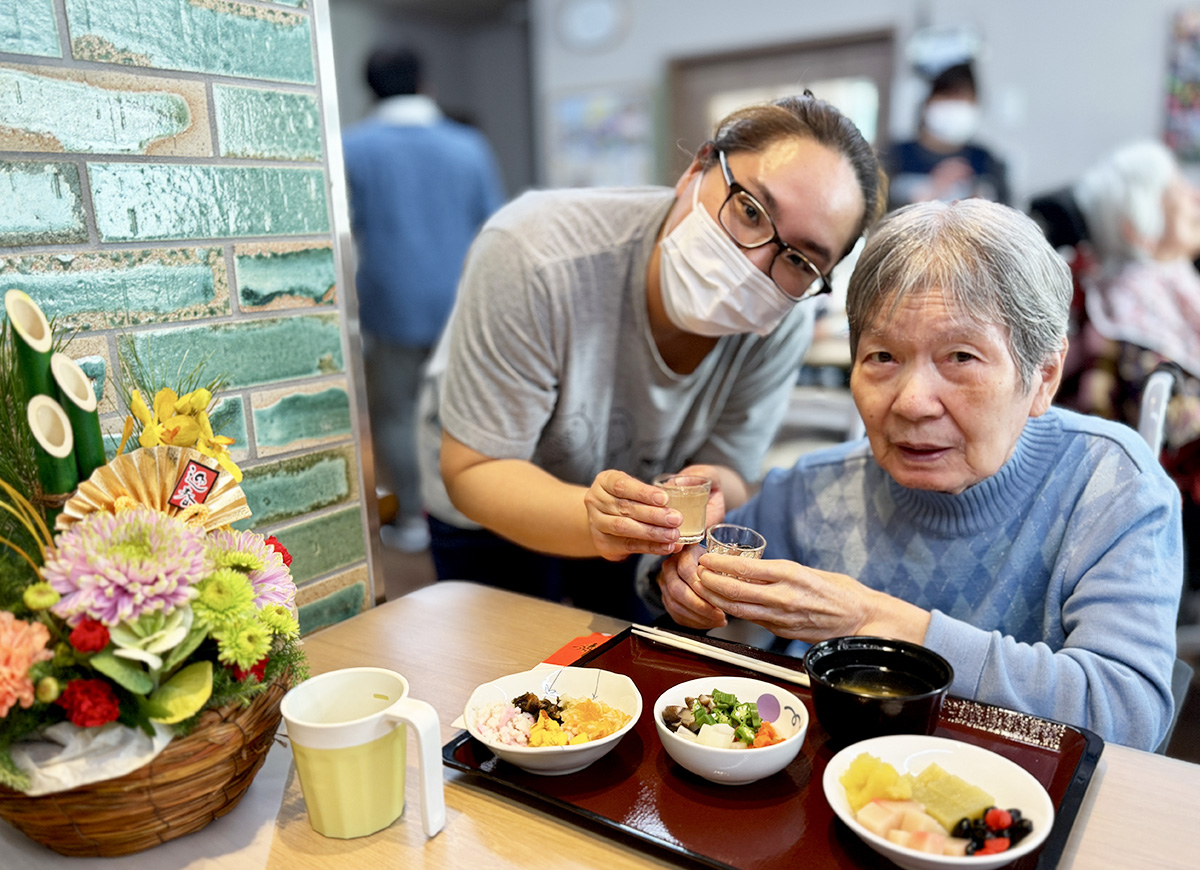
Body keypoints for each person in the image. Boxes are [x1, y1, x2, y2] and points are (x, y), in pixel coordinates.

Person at [654, 198, 1182, 750]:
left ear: (1044, 377)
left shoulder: (1110, 484)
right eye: (882, 356)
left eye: (960, 357)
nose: (911, 402)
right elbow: (696, 596)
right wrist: (682, 580)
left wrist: (873, 620)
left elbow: (1128, 713)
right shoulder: (817, 488)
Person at [416, 93, 888, 622]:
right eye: (750, 210)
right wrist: (598, 522)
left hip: (641, 514)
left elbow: (730, 465)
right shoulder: (535, 255)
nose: (755, 263)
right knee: (507, 680)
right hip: (498, 502)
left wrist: (704, 494)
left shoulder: (783, 322)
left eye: (799, 259)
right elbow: (475, 467)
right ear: (697, 170)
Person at [343, 44, 505, 553]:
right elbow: (495, 227)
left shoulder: (353, 146)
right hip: (462, 300)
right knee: (466, 407)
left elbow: (347, 230)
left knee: (396, 414)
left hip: (390, 302)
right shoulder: (468, 145)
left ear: (369, 88)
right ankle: (469, 512)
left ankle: (413, 517)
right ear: (424, 83)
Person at [1061, 139, 1200, 593]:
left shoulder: (1177, 283)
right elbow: (1169, 426)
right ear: (1139, 227)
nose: (1195, 196)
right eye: (1178, 191)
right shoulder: (1128, 309)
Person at [885, 62, 1009, 210]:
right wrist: (930, 192)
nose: (956, 107)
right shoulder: (896, 155)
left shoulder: (986, 160)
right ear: (928, 103)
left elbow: (1007, 212)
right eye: (949, 96)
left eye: (966, 99)